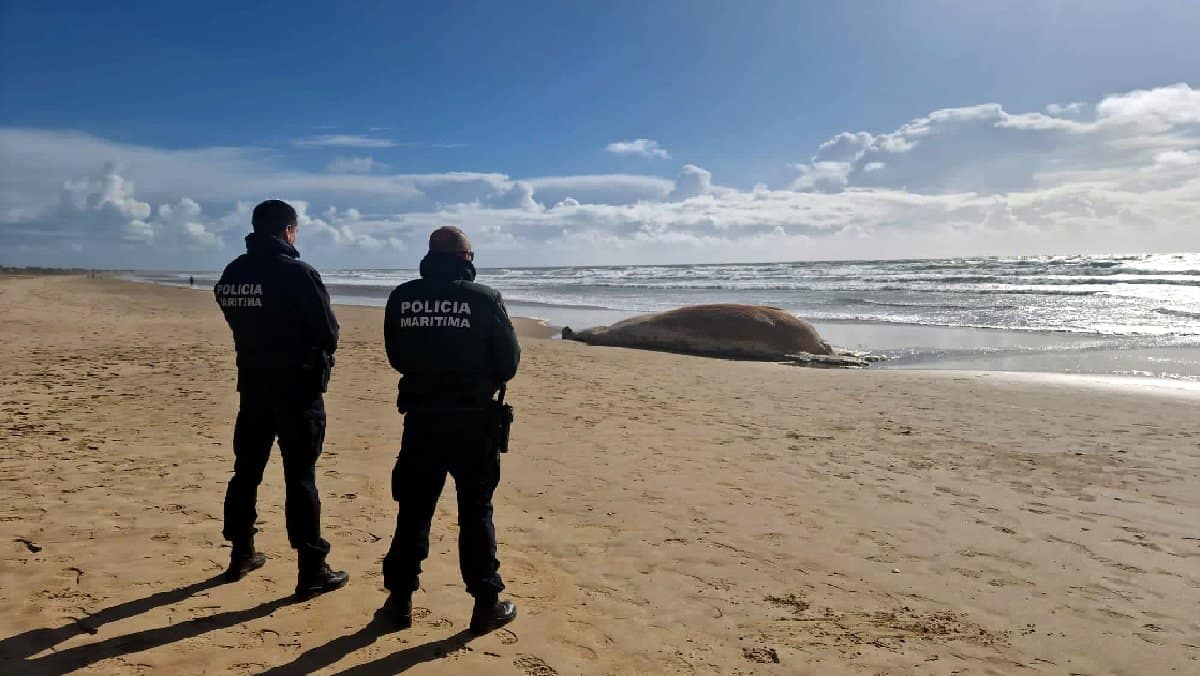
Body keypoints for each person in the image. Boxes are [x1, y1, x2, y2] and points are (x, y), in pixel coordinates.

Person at [380, 226, 520, 634]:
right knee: (475, 513)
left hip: (422, 419)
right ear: (467, 258)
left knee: (413, 509)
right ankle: (485, 603)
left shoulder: (402, 298)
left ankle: (399, 600)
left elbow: (396, 355)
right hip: (473, 422)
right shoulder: (485, 299)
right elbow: (508, 362)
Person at [213, 199, 349, 600]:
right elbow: (328, 332)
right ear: (289, 230)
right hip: (296, 389)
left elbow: (231, 308)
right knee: (299, 477)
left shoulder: (235, 272)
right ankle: (312, 567)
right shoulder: (298, 273)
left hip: (253, 385)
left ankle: (241, 551)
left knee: (247, 471)